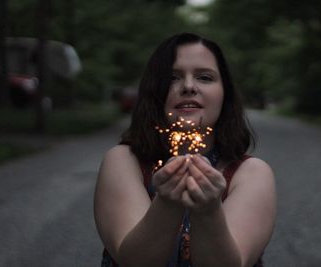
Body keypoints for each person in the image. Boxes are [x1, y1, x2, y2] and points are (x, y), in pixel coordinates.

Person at [94, 32, 276, 267]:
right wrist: (168, 203)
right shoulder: (123, 161)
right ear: (154, 90)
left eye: (204, 77)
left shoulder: (252, 173)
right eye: (172, 78)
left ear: (225, 94)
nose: (189, 87)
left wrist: (209, 210)